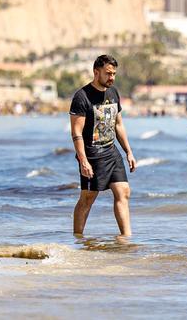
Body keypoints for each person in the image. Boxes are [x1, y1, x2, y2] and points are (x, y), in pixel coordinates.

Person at [70, 55, 136, 237]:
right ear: (96, 72)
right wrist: (83, 160)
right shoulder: (82, 97)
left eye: (114, 74)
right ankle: (78, 238)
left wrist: (128, 152)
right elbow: (76, 133)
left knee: (123, 191)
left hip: (111, 151)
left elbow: (118, 124)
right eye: (108, 73)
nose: (111, 77)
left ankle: (126, 238)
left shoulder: (113, 93)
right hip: (92, 153)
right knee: (88, 198)